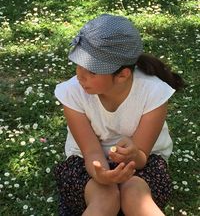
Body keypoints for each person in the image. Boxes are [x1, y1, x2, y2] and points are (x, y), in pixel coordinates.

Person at [54, 14, 185, 216]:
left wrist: (134, 155)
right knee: (105, 197)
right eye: (78, 64)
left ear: (122, 75)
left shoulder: (153, 93)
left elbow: (141, 157)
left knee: (134, 195)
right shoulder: (73, 93)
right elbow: (90, 151)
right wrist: (101, 174)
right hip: (87, 164)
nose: (80, 75)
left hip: (143, 166)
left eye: (91, 71)